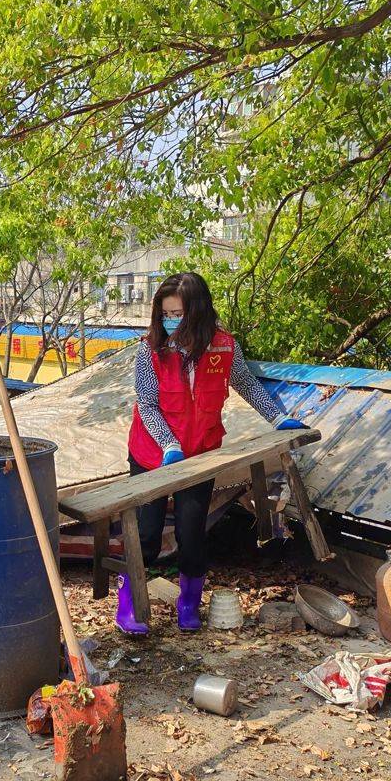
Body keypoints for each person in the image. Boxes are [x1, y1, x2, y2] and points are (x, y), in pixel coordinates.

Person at [121, 271, 308, 634]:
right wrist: (168, 443)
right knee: (146, 536)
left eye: (178, 314)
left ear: (198, 311)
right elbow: (147, 404)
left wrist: (277, 417)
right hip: (152, 455)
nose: (170, 321)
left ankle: (189, 604)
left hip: (200, 456)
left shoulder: (224, 347)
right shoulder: (150, 350)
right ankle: (130, 606)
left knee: (191, 535)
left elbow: (246, 383)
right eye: (165, 314)